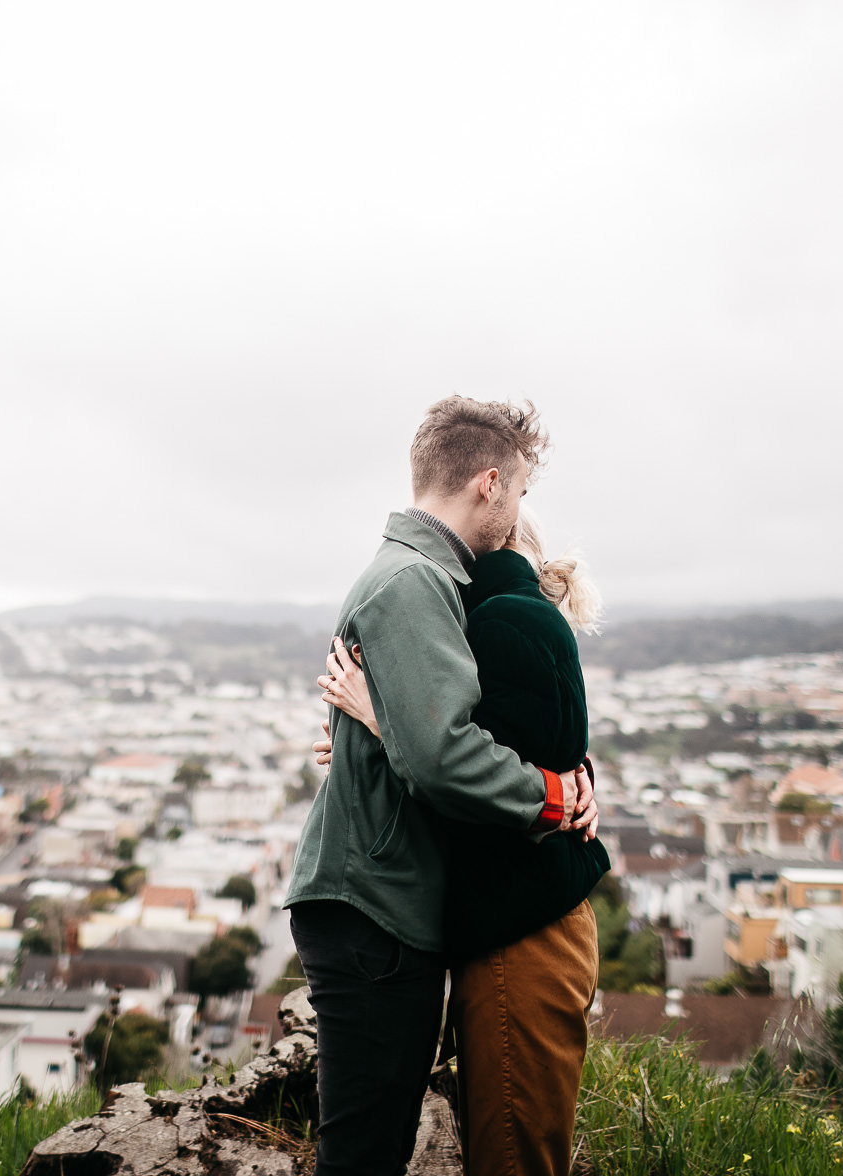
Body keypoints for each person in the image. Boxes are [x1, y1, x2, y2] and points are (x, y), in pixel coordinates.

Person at [284, 396, 595, 1176]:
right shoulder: (414, 583)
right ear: (490, 483)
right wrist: (553, 797)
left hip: (379, 901)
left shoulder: (423, 579)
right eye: (521, 492)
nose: (520, 510)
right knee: (364, 1155)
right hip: (371, 905)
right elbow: (444, 757)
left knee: (375, 1148)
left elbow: (451, 734)